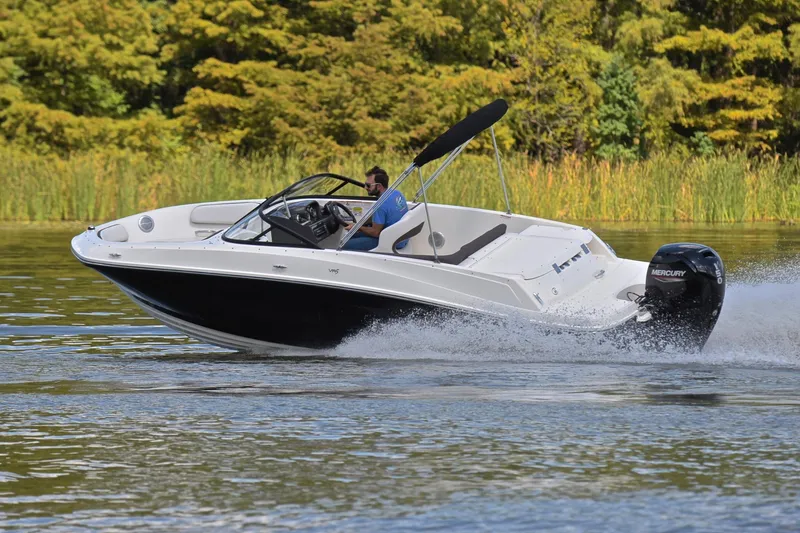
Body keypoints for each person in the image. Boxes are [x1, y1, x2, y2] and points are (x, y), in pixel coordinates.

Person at [343, 166, 408, 251]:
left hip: (393, 241)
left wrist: (357, 227)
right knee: (353, 235)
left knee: (347, 245)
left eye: (368, 185)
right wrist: (359, 224)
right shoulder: (396, 193)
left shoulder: (381, 204)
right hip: (403, 236)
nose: (365, 188)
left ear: (379, 187)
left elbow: (375, 232)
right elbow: (380, 218)